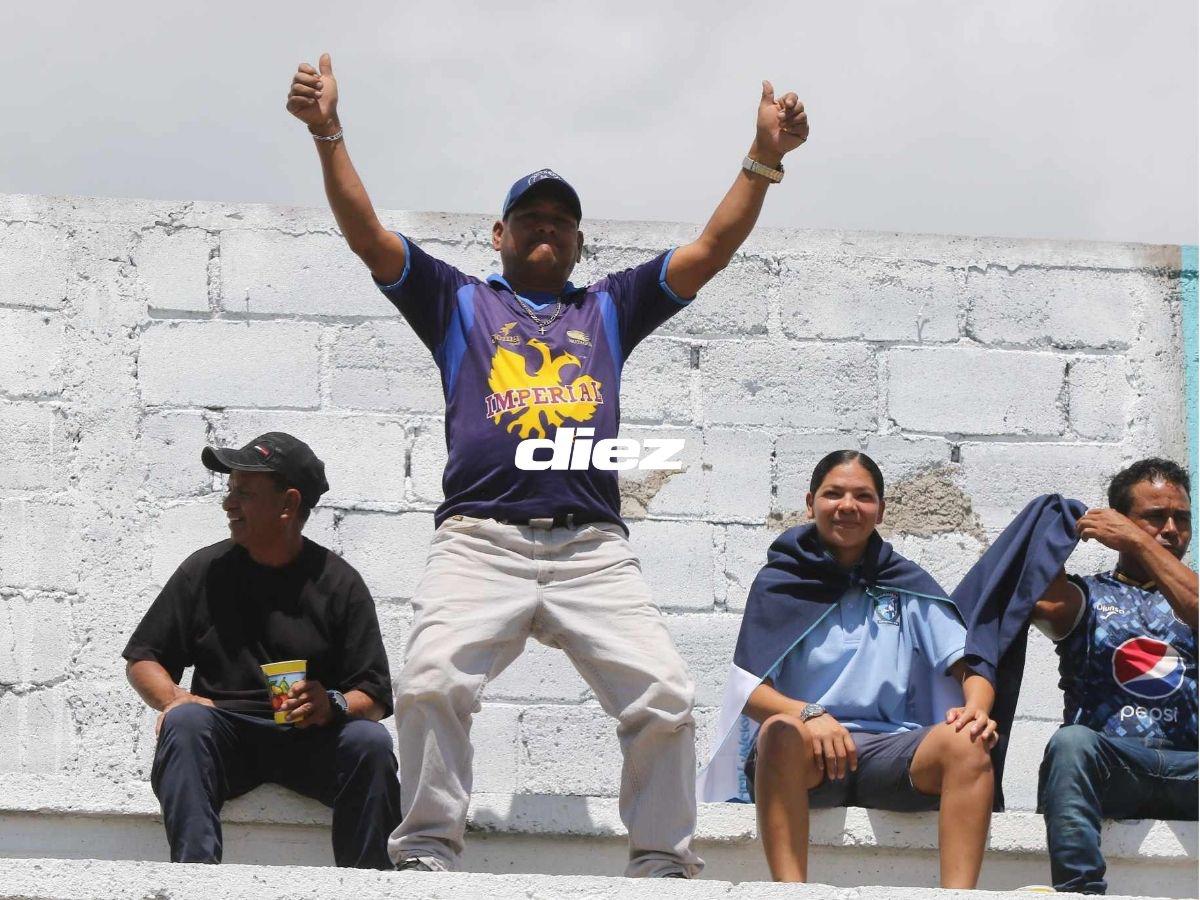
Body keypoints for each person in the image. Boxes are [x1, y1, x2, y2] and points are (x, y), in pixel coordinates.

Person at [284, 52, 808, 878]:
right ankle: (424, 853)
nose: (545, 229)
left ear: (578, 241)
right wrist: (328, 133)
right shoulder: (457, 300)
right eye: (528, 217)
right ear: (499, 236)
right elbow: (367, 234)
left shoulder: (609, 306)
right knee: (427, 685)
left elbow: (710, 248)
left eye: (560, 221)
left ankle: (663, 864)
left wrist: (763, 159)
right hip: (479, 542)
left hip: (591, 549)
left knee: (666, 697)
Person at [700, 450, 997, 887]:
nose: (847, 506)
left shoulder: (903, 583)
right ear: (810, 503)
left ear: (881, 509)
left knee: (968, 743)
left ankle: (958, 896)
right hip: (807, 756)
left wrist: (976, 708)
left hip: (893, 752)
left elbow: (969, 663)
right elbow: (750, 692)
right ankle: (789, 892)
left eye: (863, 496)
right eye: (833, 494)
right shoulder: (780, 583)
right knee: (778, 731)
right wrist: (809, 715)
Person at [123, 432, 401, 869]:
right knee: (187, 722)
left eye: (244, 494)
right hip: (226, 738)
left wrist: (330, 703)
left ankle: (367, 885)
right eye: (230, 491)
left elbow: (375, 694)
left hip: (311, 742)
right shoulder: (206, 570)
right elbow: (145, 658)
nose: (228, 504)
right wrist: (174, 699)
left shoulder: (339, 582)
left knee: (370, 741)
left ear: (288, 504)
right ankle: (196, 883)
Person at [1031, 457, 1197, 895]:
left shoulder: (1192, 592)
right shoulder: (1086, 593)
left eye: (1181, 518)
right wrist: (1056, 529)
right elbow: (1034, 596)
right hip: (1114, 768)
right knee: (1071, 743)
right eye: (1154, 518)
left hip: (1190, 771)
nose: (1170, 529)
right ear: (1122, 522)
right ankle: (1080, 892)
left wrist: (1141, 543)